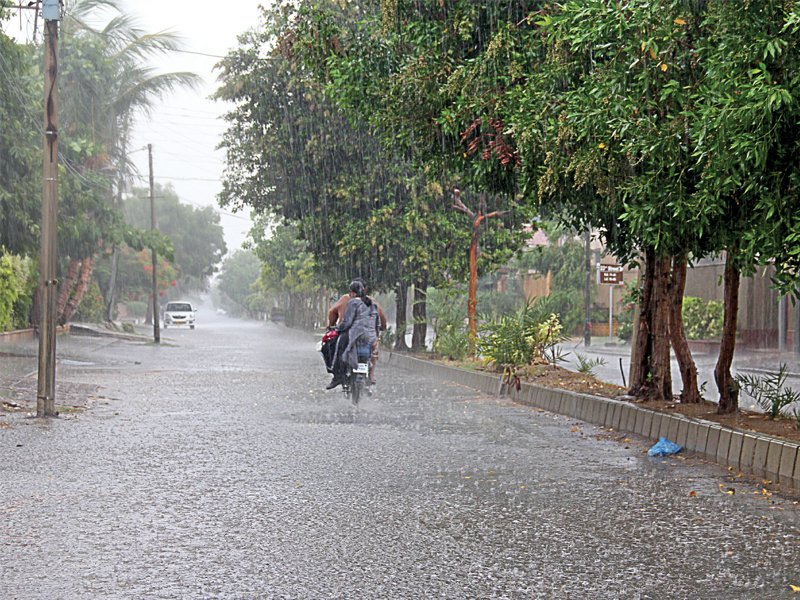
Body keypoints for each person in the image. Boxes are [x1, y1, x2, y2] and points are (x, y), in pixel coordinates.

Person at [327, 278, 386, 385]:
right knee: (374, 353)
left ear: (352, 293)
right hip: (371, 337)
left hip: (355, 335)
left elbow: (347, 322)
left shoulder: (351, 301)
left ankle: (337, 375)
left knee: (338, 346)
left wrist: (336, 328)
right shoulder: (373, 303)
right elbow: (379, 319)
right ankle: (371, 375)